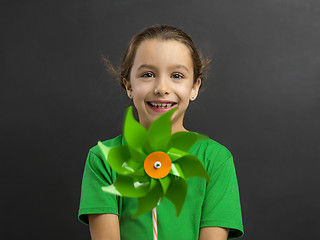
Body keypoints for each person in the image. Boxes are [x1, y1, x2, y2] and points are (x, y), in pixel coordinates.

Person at [78, 25, 244, 240]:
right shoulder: (104, 158)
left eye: (177, 75)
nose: (162, 88)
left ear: (194, 87)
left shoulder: (215, 160)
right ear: (128, 85)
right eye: (148, 74)